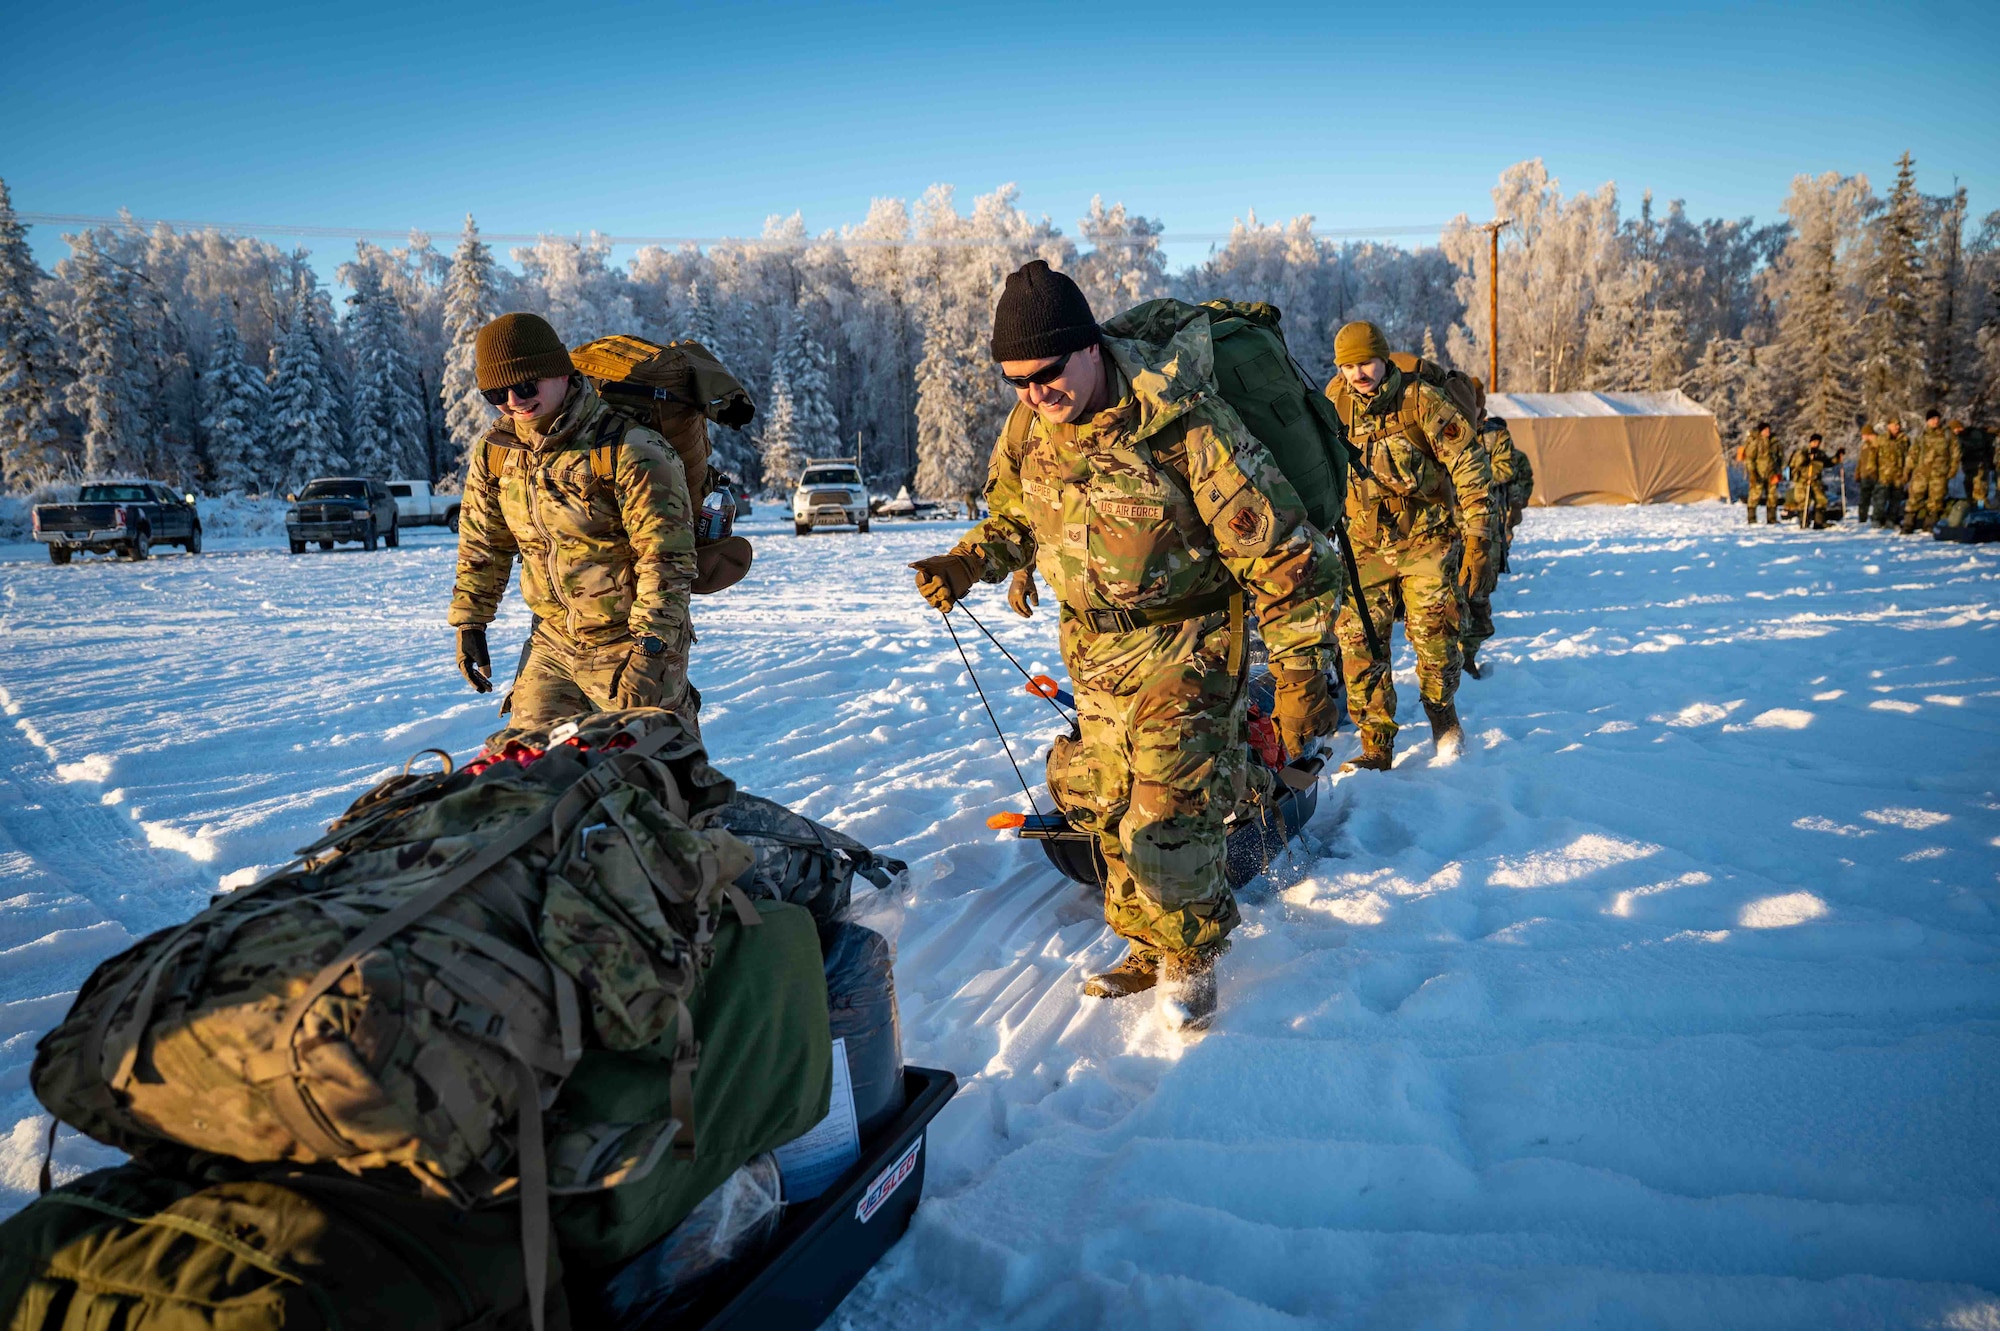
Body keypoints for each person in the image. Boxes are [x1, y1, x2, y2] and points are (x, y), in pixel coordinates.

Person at [908, 261, 1343, 1028]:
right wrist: (970, 560)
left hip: (1190, 645)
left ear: (1089, 347)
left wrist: (1305, 672)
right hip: (1094, 653)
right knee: (1102, 806)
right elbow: (1016, 516)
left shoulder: (1182, 422)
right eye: (1016, 383)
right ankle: (1150, 939)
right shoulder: (1031, 428)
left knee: (1163, 823)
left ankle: (1192, 964)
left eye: (1045, 376)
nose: (1035, 397)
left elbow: (1282, 554)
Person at [448, 312, 698, 730]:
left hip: (631, 643)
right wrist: (470, 620)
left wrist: (651, 648)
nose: (513, 400)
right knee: (529, 771)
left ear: (560, 373)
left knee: (656, 775)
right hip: (553, 643)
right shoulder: (497, 453)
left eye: (526, 385)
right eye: (496, 391)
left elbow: (665, 557)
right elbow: (484, 543)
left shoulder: (629, 448)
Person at [1323, 321, 1492, 771]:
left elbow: (1470, 464)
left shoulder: (1421, 401)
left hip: (1427, 541)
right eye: (1349, 366)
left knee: (1436, 643)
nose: (1359, 374)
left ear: (1384, 359)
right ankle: (1376, 745)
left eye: (1367, 363)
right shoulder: (1332, 405)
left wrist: (1479, 534)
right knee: (1359, 648)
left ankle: (1444, 721)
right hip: (1362, 547)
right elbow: (1312, 471)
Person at [1462, 414, 1523, 679]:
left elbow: (1507, 468)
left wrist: (1468, 474)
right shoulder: (1436, 426)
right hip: (1443, 527)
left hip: (1483, 524)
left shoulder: (1495, 436)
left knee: (1478, 593)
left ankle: (1468, 656)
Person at [1901, 408, 1960, 534]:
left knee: (1936, 501)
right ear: (1927, 421)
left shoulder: (1947, 435)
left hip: (1939, 474)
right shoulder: (1921, 435)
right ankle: (1908, 524)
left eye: (1937, 419)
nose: (1935, 421)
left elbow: (1955, 453)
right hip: (1921, 472)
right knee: (1914, 497)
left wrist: (1952, 469)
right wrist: (1907, 470)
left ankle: (1930, 525)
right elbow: (1912, 454)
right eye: (1932, 419)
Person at [1792, 433, 1844, 528]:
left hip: (1816, 480)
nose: (1816, 444)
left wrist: (1837, 457)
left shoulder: (1820, 453)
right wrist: (1808, 461)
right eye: (1814, 442)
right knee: (1803, 502)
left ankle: (1819, 522)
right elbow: (1797, 467)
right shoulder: (1802, 452)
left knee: (1821, 500)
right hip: (1804, 480)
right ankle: (1804, 522)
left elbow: (1828, 463)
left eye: (1818, 442)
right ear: (1810, 442)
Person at [1739, 422, 1783, 524]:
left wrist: (1779, 471)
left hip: (1771, 472)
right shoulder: (1756, 443)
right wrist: (1753, 472)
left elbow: (1779, 457)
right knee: (1755, 495)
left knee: (1772, 495)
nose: (1768, 432)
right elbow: (1749, 458)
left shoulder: (1774, 442)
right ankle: (1752, 518)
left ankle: (1771, 518)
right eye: (1765, 430)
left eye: (1768, 429)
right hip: (1758, 472)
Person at [1873, 418, 1910, 529]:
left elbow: (1909, 457)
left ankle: (1891, 520)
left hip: (1899, 475)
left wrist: (1907, 473)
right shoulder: (1880, 439)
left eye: (1898, 425)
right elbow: (1872, 456)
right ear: (1888, 426)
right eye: (1894, 425)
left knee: (1896, 500)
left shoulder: (1904, 440)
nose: (1897, 427)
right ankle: (1877, 519)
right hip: (1883, 475)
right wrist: (1873, 472)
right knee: (1881, 499)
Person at [1952, 418, 1993, 508]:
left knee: (1979, 489)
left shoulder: (1963, 436)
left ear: (1957, 428)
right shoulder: (1971, 433)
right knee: (1972, 486)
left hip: (1978, 465)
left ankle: (1980, 509)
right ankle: (1975, 505)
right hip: (1972, 466)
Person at [1853, 424, 1881, 523]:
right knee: (1864, 498)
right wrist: (1857, 473)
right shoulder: (1864, 446)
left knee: (1877, 498)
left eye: (1864, 435)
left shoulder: (1878, 443)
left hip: (1875, 475)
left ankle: (1877, 517)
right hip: (1865, 475)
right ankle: (1862, 517)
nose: (1863, 437)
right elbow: (1861, 461)